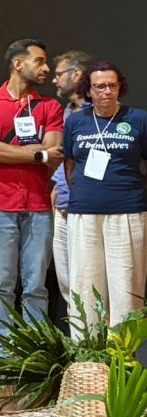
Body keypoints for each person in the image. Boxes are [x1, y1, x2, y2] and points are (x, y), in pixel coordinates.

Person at [0, 39, 63, 356]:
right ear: (18, 64)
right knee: (2, 284)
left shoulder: (50, 107)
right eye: (40, 61)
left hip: (38, 205)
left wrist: (8, 153)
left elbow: (54, 153)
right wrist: (35, 154)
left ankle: (35, 352)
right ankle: (4, 351)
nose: (46, 68)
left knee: (36, 284)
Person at [63, 62, 147, 328]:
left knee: (126, 286)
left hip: (128, 211)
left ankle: (124, 358)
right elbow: (69, 165)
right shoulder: (76, 121)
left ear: (120, 87)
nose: (107, 92)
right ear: (89, 90)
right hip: (84, 212)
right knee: (85, 285)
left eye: (112, 85)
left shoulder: (138, 119)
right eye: (100, 86)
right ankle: (87, 357)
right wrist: (85, 193)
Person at [49, 50, 91, 318]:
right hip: (62, 207)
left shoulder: (98, 113)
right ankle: (79, 351)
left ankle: (100, 349)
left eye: (58, 74)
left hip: (87, 208)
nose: (54, 80)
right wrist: (55, 187)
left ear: (76, 74)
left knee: (88, 280)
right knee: (66, 281)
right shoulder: (64, 112)